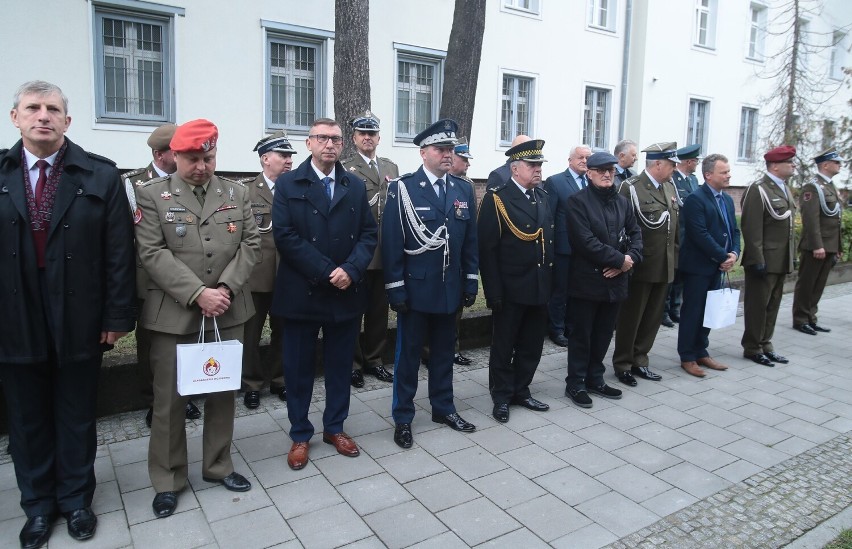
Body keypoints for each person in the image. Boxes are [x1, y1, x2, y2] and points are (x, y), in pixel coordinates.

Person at [0, 80, 136, 547]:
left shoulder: (100, 176)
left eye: (53, 109)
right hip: (14, 318)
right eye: (33, 108)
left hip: (79, 316)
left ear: (67, 121)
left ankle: (76, 501)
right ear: (15, 117)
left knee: (76, 415)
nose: (43, 116)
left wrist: (118, 318)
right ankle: (38, 507)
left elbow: (119, 253)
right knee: (27, 418)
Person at [135, 119, 259, 518]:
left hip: (228, 308)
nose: (201, 166)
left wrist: (222, 290)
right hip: (174, 314)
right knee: (168, 399)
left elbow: (251, 243)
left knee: (222, 393)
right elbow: (152, 252)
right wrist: (197, 294)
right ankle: (169, 479)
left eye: (208, 157)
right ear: (174, 155)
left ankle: (218, 465)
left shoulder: (236, 192)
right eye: (192, 159)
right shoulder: (152, 194)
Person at [272, 118, 377, 470]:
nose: (329, 144)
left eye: (335, 139)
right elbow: (285, 237)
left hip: (345, 291)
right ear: (309, 143)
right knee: (298, 368)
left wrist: (351, 270)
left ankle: (335, 427)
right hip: (303, 291)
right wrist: (325, 271)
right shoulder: (288, 183)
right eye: (322, 138)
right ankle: (300, 433)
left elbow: (368, 234)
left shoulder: (355, 185)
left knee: (339, 366)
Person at [382, 119, 479, 449]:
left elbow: (470, 242)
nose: (448, 155)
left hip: (449, 288)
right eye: (441, 149)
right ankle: (403, 416)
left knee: (444, 353)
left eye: (451, 150)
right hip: (416, 288)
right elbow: (392, 242)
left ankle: (443, 407)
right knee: (408, 357)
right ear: (424, 153)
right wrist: (395, 287)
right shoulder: (403, 188)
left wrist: (470, 280)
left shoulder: (463, 189)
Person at [124, 124, 202, 426]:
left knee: (190, 340)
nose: (188, 154)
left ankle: (187, 395)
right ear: (160, 154)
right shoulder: (133, 186)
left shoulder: (193, 180)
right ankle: (154, 400)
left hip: (191, 280)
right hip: (151, 282)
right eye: (178, 150)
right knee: (152, 347)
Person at [478, 139, 554, 423]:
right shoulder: (497, 198)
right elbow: (488, 250)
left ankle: (521, 389)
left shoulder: (542, 197)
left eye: (539, 165)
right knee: (504, 345)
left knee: (532, 344)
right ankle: (501, 396)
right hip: (510, 288)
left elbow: (547, 243)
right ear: (515, 168)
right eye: (532, 165)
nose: (538, 170)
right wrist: (494, 292)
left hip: (538, 284)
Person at [564, 151, 642, 408]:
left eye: (611, 170)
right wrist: (619, 260)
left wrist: (626, 262)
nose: (608, 174)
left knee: (603, 334)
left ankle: (595, 378)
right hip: (587, 282)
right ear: (589, 173)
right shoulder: (577, 202)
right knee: (582, 335)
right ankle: (575, 383)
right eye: (601, 170)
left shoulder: (622, 202)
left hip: (615, 282)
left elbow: (636, 235)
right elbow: (585, 242)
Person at [612, 143, 680, 387]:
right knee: (632, 316)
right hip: (640, 265)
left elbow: (675, 229)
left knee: (652, 316)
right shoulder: (630, 188)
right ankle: (623, 363)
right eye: (672, 164)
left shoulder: (670, 187)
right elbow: (621, 229)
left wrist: (675, 260)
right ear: (658, 164)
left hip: (665, 264)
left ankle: (640, 359)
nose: (675, 168)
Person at [342, 111, 397, 387]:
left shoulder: (391, 168)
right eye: (362, 133)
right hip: (356, 253)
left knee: (379, 311)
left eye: (371, 133)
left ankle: (375, 360)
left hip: (385, 253)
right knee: (353, 310)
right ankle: (352, 364)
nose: (367, 138)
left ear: (378, 137)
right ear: (354, 138)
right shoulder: (344, 168)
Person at [241, 131, 295, 409]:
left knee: (284, 331)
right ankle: (251, 384)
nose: (288, 161)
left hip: (288, 273)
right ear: (265, 159)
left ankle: (280, 380)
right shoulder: (245, 192)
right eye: (282, 155)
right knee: (250, 333)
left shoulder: (297, 189)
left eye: (289, 156)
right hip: (255, 276)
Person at [677, 154, 740, 377]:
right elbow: (699, 234)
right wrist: (722, 256)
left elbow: (734, 230)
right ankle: (687, 356)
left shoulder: (727, 199)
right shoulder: (696, 199)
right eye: (724, 172)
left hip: (717, 265)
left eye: (728, 171)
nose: (728, 175)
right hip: (698, 267)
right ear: (708, 175)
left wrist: (734, 253)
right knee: (693, 311)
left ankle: (701, 350)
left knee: (709, 310)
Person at [740, 145, 797, 366]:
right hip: (764, 260)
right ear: (774, 165)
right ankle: (753, 347)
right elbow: (751, 228)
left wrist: (791, 256)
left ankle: (766, 343)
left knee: (773, 304)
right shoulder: (759, 189)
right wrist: (757, 259)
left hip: (780, 259)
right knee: (758, 306)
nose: (793, 165)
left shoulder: (783, 188)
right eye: (789, 162)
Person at [791, 148, 844, 335]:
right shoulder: (812, 187)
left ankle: (811, 317)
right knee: (807, 283)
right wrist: (817, 245)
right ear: (825, 164)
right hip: (816, 246)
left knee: (819, 284)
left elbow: (836, 219)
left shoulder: (829, 186)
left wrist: (837, 247)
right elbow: (811, 219)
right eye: (836, 162)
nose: (840, 165)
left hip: (829, 245)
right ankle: (800, 319)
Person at [543, 144, 591, 347]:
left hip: (585, 249)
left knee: (578, 290)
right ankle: (556, 328)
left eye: (587, 158)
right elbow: (549, 216)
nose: (584, 161)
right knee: (560, 290)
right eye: (580, 157)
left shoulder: (591, 182)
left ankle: (572, 326)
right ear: (570, 160)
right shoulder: (556, 182)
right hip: (563, 247)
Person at [663, 143, 702, 327]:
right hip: (678, 233)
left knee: (681, 274)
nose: (697, 164)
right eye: (695, 161)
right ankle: (664, 310)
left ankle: (675, 307)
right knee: (671, 274)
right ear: (688, 161)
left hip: (691, 237)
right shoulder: (672, 180)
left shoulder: (693, 180)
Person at [447, 137, 476, 366]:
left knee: (455, 310)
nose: (467, 164)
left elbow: (471, 232)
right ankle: (429, 351)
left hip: (457, 263)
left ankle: (452, 348)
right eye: (463, 159)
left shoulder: (466, 186)